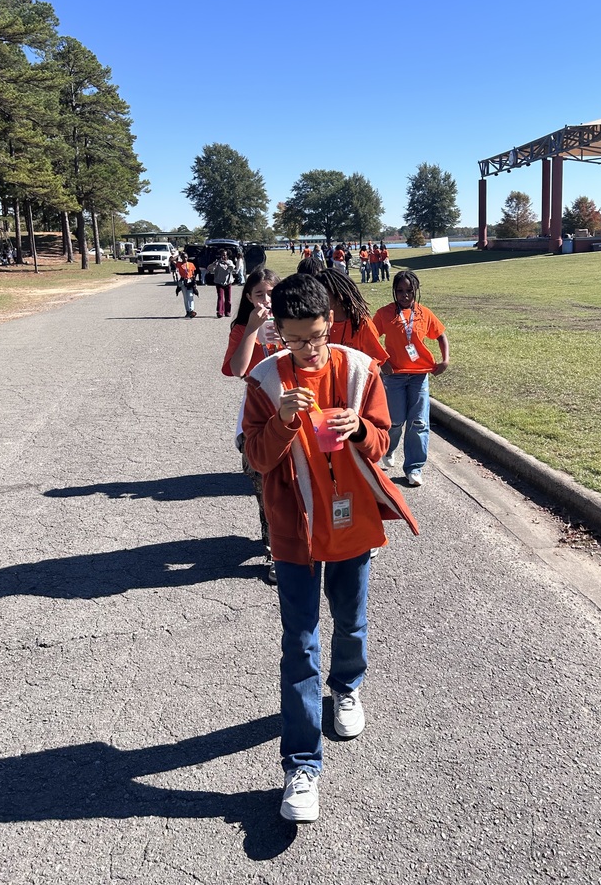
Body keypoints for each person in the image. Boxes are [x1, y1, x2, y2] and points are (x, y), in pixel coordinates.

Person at [242, 274, 418, 823]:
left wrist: (361, 430)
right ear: (279, 333)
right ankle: (301, 765)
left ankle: (345, 688)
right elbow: (255, 458)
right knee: (299, 643)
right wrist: (283, 421)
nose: (309, 349)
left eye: (316, 336)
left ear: (330, 324)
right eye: (296, 340)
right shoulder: (264, 380)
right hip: (295, 533)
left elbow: (384, 439)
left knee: (351, 621)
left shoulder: (359, 368)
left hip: (350, 523)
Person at [224, 267, 282, 584]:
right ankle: (275, 553)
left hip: (292, 410)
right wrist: (252, 330)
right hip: (258, 417)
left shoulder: (292, 320)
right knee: (266, 488)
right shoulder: (243, 328)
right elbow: (237, 369)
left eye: (271, 292)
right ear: (248, 297)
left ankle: (302, 543)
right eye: (259, 293)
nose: (266, 299)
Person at [373, 270, 449, 486]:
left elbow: (441, 336)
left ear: (416, 290)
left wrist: (445, 360)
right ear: (394, 291)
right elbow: (368, 338)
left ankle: (414, 468)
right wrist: (382, 361)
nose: (405, 295)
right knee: (395, 421)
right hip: (394, 377)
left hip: (419, 376)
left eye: (409, 291)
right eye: (400, 291)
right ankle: (388, 449)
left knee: (418, 422)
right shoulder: (384, 314)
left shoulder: (424, 313)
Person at [314, 267, 388, 366]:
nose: (316, 300)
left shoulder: (361, 323)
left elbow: (375, 361)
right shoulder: (314, 323)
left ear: (339, 294)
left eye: (321, 295)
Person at [208, 250, 235, 318]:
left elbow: (232, 267)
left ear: (227, 255)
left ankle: (227, 312)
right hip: (219, 282)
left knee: (228, 298)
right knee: (220, 297)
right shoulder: (217, 263)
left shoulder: (230, 262)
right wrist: (214, 264)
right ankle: (220, 312)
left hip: (228, 282)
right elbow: (209, 268)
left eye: (225, 255)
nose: (224, 256)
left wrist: (226, 263)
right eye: (222, 255)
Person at [175, 252, 199, 318]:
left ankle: (192, 310)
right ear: (181, 258)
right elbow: (171, 260)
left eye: (186, 257)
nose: (185, 258)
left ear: (187, 257)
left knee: (190, 296)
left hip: (190, 282)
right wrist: (178, 255)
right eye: (183, 257)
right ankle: (188, 311)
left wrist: (194, 282)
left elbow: (193, 274)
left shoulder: (191, 264)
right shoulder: (179, 264)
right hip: (183, 282)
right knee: (185, 298)